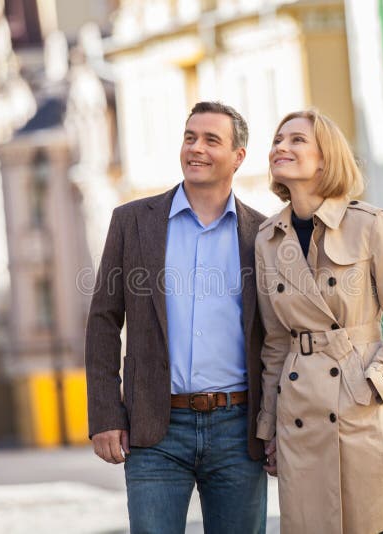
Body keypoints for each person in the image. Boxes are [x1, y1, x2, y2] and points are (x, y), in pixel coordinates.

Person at [255, 109, 383, 534]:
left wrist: (374, 384)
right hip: (301, 411)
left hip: (360, 402)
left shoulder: (369, 224)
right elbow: (276, 342)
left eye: (297, 140)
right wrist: (269, 426)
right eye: (278, 139)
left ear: (325, 158)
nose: (281, 147)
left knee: (370, 527)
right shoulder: (267, 238)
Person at [85, 101, 268, 534]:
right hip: (155, 430)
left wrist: (275, 424)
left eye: (211, 140)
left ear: (238, 156)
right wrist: (106, 414)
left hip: (237, 431)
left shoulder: (262, 235)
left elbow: (276, 338)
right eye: (190, 137)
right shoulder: (132, 222)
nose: (196, 148)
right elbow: (103, 322)